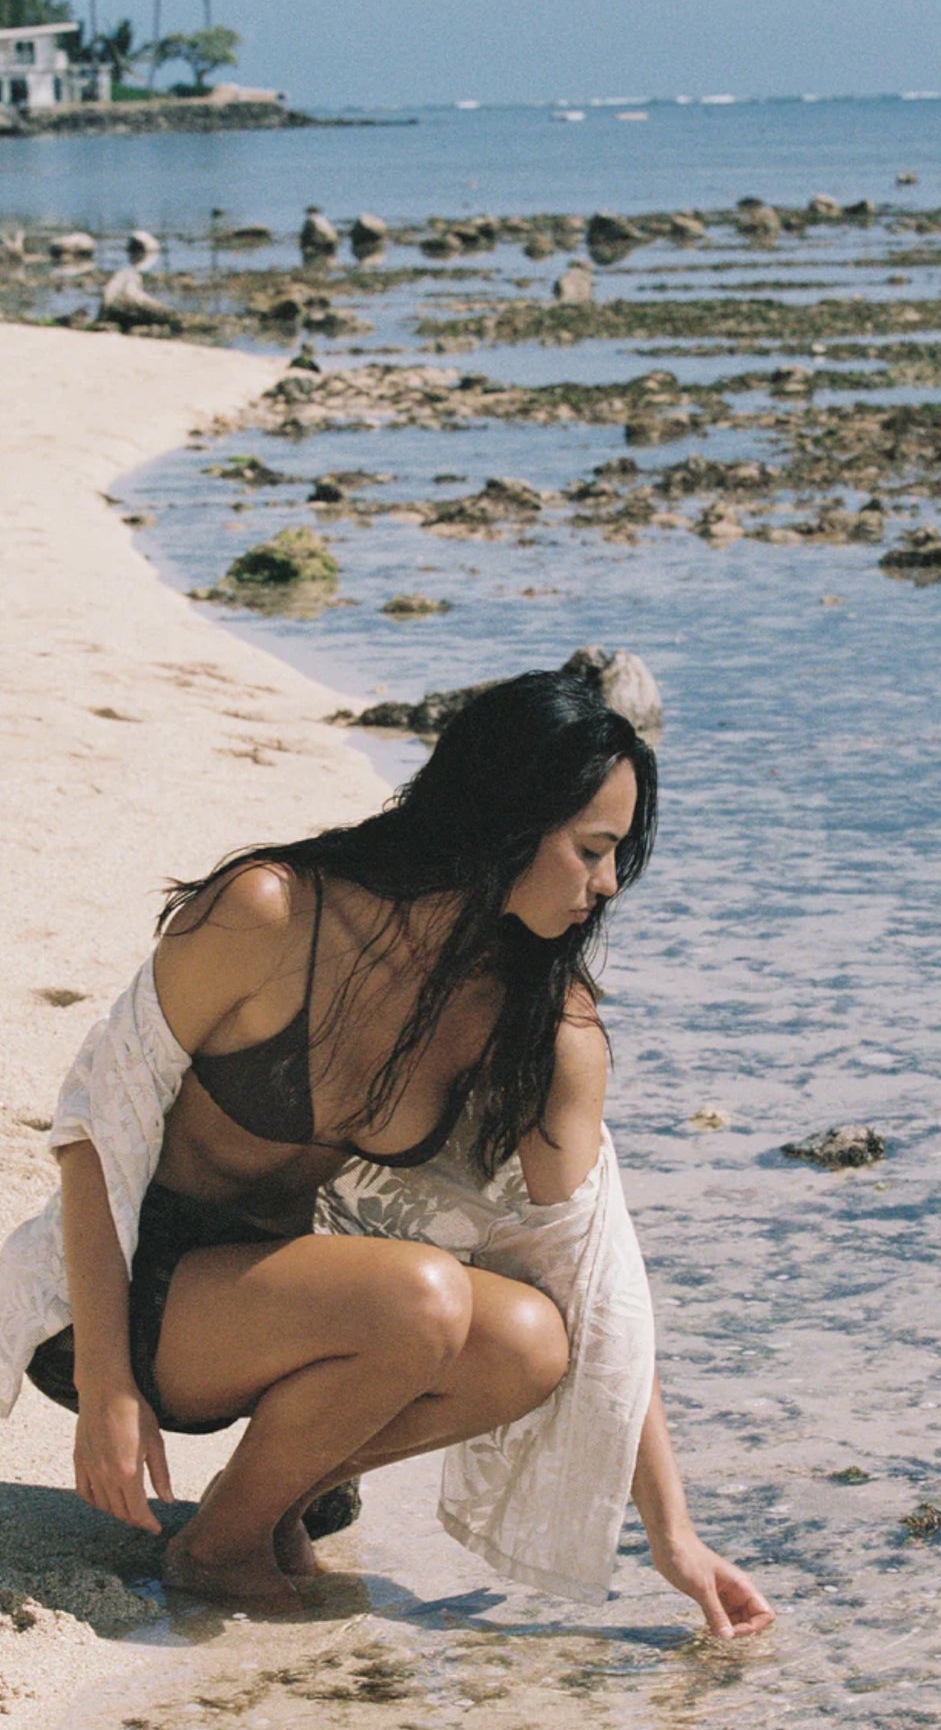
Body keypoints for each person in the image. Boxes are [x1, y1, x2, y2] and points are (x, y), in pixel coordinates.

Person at [1, 671, 773, 1636]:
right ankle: (224, 1551)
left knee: (529, 1343)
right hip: (112, 1300)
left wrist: (674, 1535)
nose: (608, 883)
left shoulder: (538, 1019)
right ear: (506, 819)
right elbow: (92, 1129)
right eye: (590, 849)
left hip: (284, 1311)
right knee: (423, 1297)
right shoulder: (274, 914)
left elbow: (590, 1272)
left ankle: (248, 1513)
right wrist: (107, 1385)